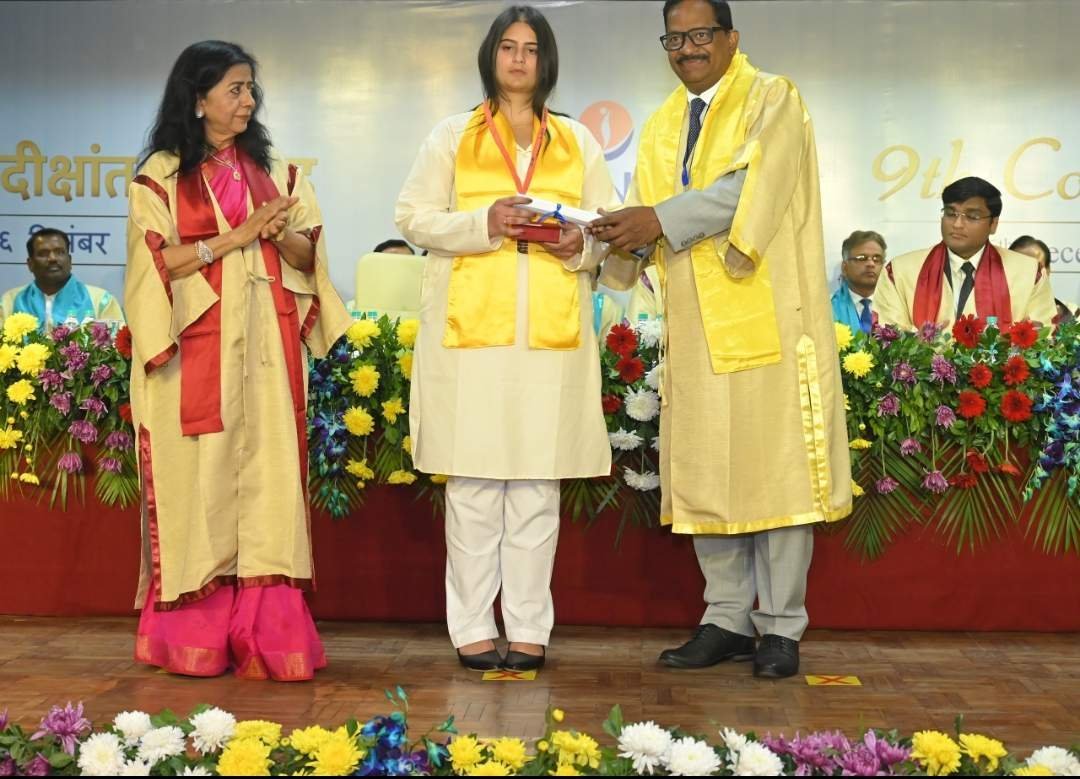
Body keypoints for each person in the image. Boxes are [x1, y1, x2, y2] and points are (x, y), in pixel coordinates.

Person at [591, 0, 850, 679]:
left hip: (769, 314)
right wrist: (609, 242)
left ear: (732, 38)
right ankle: (727, 617)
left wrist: (657, 219)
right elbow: (647, 224)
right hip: (696, 325)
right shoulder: (661, 125)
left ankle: (781, 627)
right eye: (675, 38)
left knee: (776, 472)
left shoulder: (773, 98)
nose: (688, 48)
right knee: (708, 466)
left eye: (701, 34)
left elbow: (751, 188)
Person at [395, 5, 617, 673]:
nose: (519, 59)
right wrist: (484, 222)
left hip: (550, 339)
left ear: (547, 61)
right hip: (472, 340)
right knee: (473, 486)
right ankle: (470, 624)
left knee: (535, 489)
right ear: (491, 56)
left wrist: (582, 247)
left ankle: (527, 626)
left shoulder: (577, 140)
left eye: (531, 48)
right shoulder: (452, 135)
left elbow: (609, 233)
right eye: (509, 47)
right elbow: (412, 217)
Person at [125, 40, 349, 681]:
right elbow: (154, 264)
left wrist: (283, 234)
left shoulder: (278, 175)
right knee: (201, 486)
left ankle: (267, 633)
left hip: (268, 358)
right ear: (198, 100)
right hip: (191, 357)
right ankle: (197, 634)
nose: (248, 101)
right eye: (235, 89)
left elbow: (310, 259)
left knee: (269, 485)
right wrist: (238, 236)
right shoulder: (161, 176)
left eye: (251, 89)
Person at [874, 177, 1056, 331]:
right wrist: (918, 345)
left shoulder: (1028, 273)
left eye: (972, 216)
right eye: (950, 213)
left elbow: (1043, 338)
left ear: (993, 224)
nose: (957, 224)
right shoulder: (900, 271)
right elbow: (887, 336)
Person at [0, 227, 124, 328]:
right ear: (30, 264)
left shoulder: (101, 301)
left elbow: (117, 347)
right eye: (43, 253)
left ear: (69, 261)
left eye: (59, 252)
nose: (52, 258)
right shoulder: (9, 302)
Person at [1010, 235, 1075, 324]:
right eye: (1020, 267)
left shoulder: (1072, 314)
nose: (1027, 275)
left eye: (1035, 267)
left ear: (1048, 271)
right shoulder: (993, 314)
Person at [831, 230, 886, 334]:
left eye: (877, 259)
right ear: (845, 268)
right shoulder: (829, 308)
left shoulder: (896, 307)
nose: (871, 264)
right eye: (862, 258)